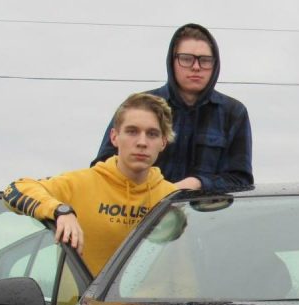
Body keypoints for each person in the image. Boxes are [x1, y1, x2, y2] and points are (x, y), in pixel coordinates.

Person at [4, 93, 178, 276]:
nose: (142, 142)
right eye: (132, 131)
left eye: (152, 134)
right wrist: (60, 211)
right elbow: (15, 189)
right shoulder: (80, 184)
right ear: (114, 137)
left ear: (163, 142)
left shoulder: (173, 198)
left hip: (152, 304)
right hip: (79, 304)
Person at [93, 23, 252, 192]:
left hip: (207, 215)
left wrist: (197, 183)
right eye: (186, 59)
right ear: (172, 61)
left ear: (215, 64)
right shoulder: (140, 107)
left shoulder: (233, 112)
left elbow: (241, 180)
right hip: (142, 213)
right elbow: (102, 167)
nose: (196, 67)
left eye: (205, 60)